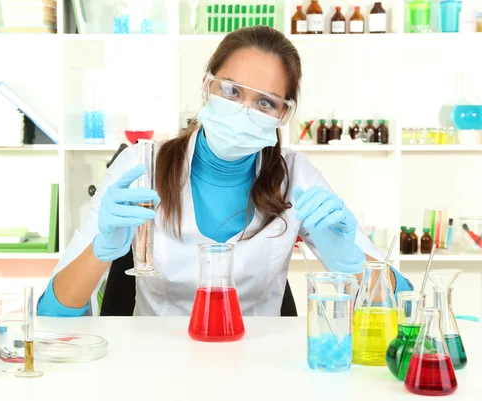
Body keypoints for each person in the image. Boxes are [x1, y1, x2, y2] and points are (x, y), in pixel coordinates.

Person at [38, 26, 412, 317]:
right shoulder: (140, 166)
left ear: (282, 114)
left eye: (265, 101)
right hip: (153, 366)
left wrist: (352, 261)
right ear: (207, 86)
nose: (244, 110)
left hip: (260, 367)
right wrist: (101, 251)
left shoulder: (296, 176)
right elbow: (51, 312)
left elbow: (407, 302)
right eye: (232, 91)